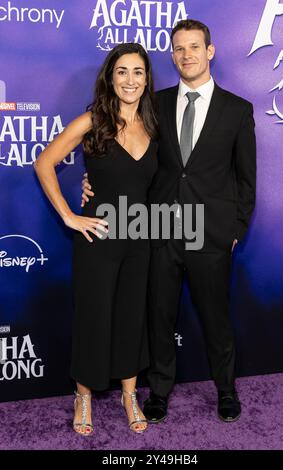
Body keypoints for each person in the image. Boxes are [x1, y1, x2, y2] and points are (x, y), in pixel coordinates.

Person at [82, 19, 256, 424]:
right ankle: (158, 392)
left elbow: (247, 179)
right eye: (178, 48)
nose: (186, 55)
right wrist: (92, 180)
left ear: (209, 51)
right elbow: (123, 156)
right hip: (157, 229)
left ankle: (226, 390)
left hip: (210, 234)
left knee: (216, 318)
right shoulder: (152, 104)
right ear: (172, 55)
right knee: (158, 317)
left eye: (194, 47)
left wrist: (235, 230)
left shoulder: (237, 110)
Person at [34, 43, 158, 435]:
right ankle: (83, 397)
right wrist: (70, 215)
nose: (130, 80)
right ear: (110, 77)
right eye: (122, 71)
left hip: (140, 237)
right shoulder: (92, 121)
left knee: (131, 318)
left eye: (137, 72)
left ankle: (129, 396)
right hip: (99, 240)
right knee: (93, 318)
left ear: (146, 79)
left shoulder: (155, 124)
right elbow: (44, 162)